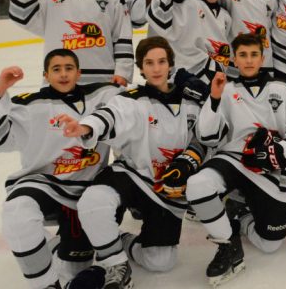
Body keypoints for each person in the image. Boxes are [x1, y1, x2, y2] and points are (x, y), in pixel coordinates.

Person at [58, 37, 206, 289]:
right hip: (132, 176)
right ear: (141, 67)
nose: (156, 68)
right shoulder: (130, 99)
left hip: (166, 191)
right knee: (93, 201)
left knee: (161, 262)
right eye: (149, 63)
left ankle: (122, 239)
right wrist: (85, 126)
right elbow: (109, 116)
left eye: (161, 62)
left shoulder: (191, 102)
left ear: (171, 64)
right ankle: (115, 262)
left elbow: (206, 138)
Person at [0, 49, 121, 288]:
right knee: (16, 212)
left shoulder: (102, 96)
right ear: (45, 75)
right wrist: (0, 90)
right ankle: (46, 284)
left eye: (69, 68)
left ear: (79, 72)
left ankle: (71, 244)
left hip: (86, 192)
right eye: (56, 69)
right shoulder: (29, 105)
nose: (63, 74)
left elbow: (141, 101)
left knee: (75, 267)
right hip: (44, 184)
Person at [186, 33, 286, 287]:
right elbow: (208, 136)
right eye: (242, 55)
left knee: (270, 244)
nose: (249, 60)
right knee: (197, 185)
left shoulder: (284, 90)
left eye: (254, 55)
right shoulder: (227, 90)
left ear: (262, 58)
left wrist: (275, 154)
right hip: (235, 159)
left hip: (272, 170)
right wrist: (215, 98)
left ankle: (239, 213)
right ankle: (227, 243)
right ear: (235, 59)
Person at [148, 0, 233, 83]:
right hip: (189, 73)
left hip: (216, 76)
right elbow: (162, 19)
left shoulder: (226, 16)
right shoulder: (188, 3)